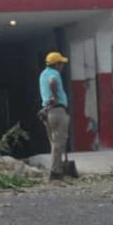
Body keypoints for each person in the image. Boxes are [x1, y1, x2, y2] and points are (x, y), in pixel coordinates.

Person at [40, 51, 70, 179]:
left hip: (47, 111)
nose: (63, 66)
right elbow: (52, 82)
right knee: (60, 141)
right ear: (56, 64)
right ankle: (56, 171)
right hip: (57, 110)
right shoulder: (54, 73)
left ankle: (56, 168)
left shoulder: (43, 74)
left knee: (54, 142)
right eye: (61, 63)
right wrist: (55, 97)